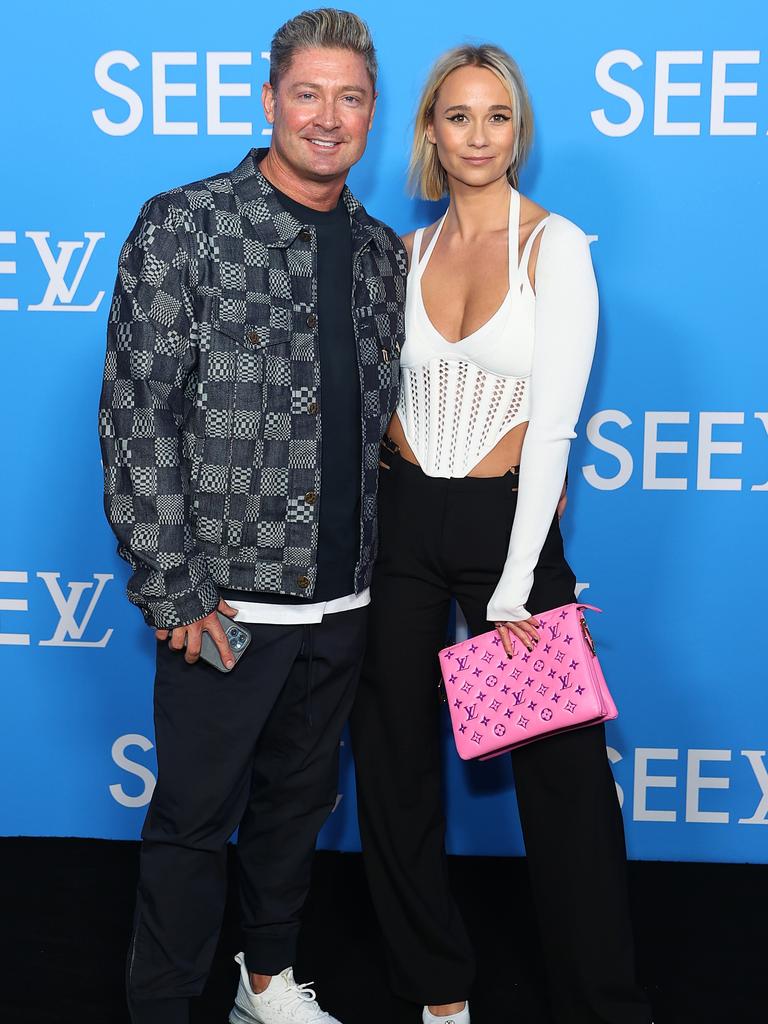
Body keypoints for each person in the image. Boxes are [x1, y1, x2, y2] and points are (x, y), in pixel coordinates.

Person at [97, 10, 405, 1024]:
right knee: (192, 820)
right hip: (224, 598)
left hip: (344, 594)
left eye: (350, 97)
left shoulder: (377, 251)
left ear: (371, 113)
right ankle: (162, 1002)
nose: (329, 117)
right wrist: (171, 582)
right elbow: (139, 410)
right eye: (308, 94)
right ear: (270, 100)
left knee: (296, 810)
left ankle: (264, 981)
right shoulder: (186, 222)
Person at [350, 45, 654, 1024]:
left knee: (562, 772)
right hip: (400, 514)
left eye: (496, 117)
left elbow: (555, 427)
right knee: (392, 759)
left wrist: (519, 582)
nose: (477, 136)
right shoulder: (404, 252)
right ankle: (435, 986)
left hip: (504, 525)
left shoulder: (554, 245)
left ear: (517, 132)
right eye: (457, 116)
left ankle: (602, 1001)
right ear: (430, 131)